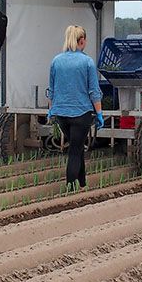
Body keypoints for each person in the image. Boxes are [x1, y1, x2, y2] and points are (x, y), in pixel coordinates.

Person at [48, 25, 103, 189]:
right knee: (74, 150)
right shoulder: (87, 62)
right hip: (81, 113)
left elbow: (51, 90)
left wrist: (51, 110)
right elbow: (94, 91)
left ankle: (82, 183)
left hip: (61, 114)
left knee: (77, 147)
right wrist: (99, 113)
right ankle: (70, 185)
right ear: (81, 40)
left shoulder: (56, 61)